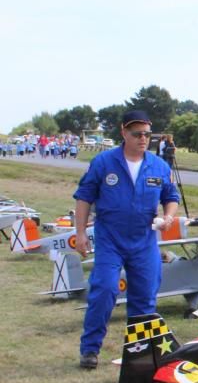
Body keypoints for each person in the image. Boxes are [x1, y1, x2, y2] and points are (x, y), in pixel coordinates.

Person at [72, 110, 180, 369]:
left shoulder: (159, 165)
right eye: (137, 134)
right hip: (111, 238)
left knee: (144, 297)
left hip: (143, 240)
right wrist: (80, 232)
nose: (143, 139)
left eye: (147, 134)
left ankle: (139, 353)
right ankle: (90, 350)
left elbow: (171, 196)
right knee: (105, 290)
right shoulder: (104, 162)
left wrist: (168, 216)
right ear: (123, 133)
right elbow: (84, 196)